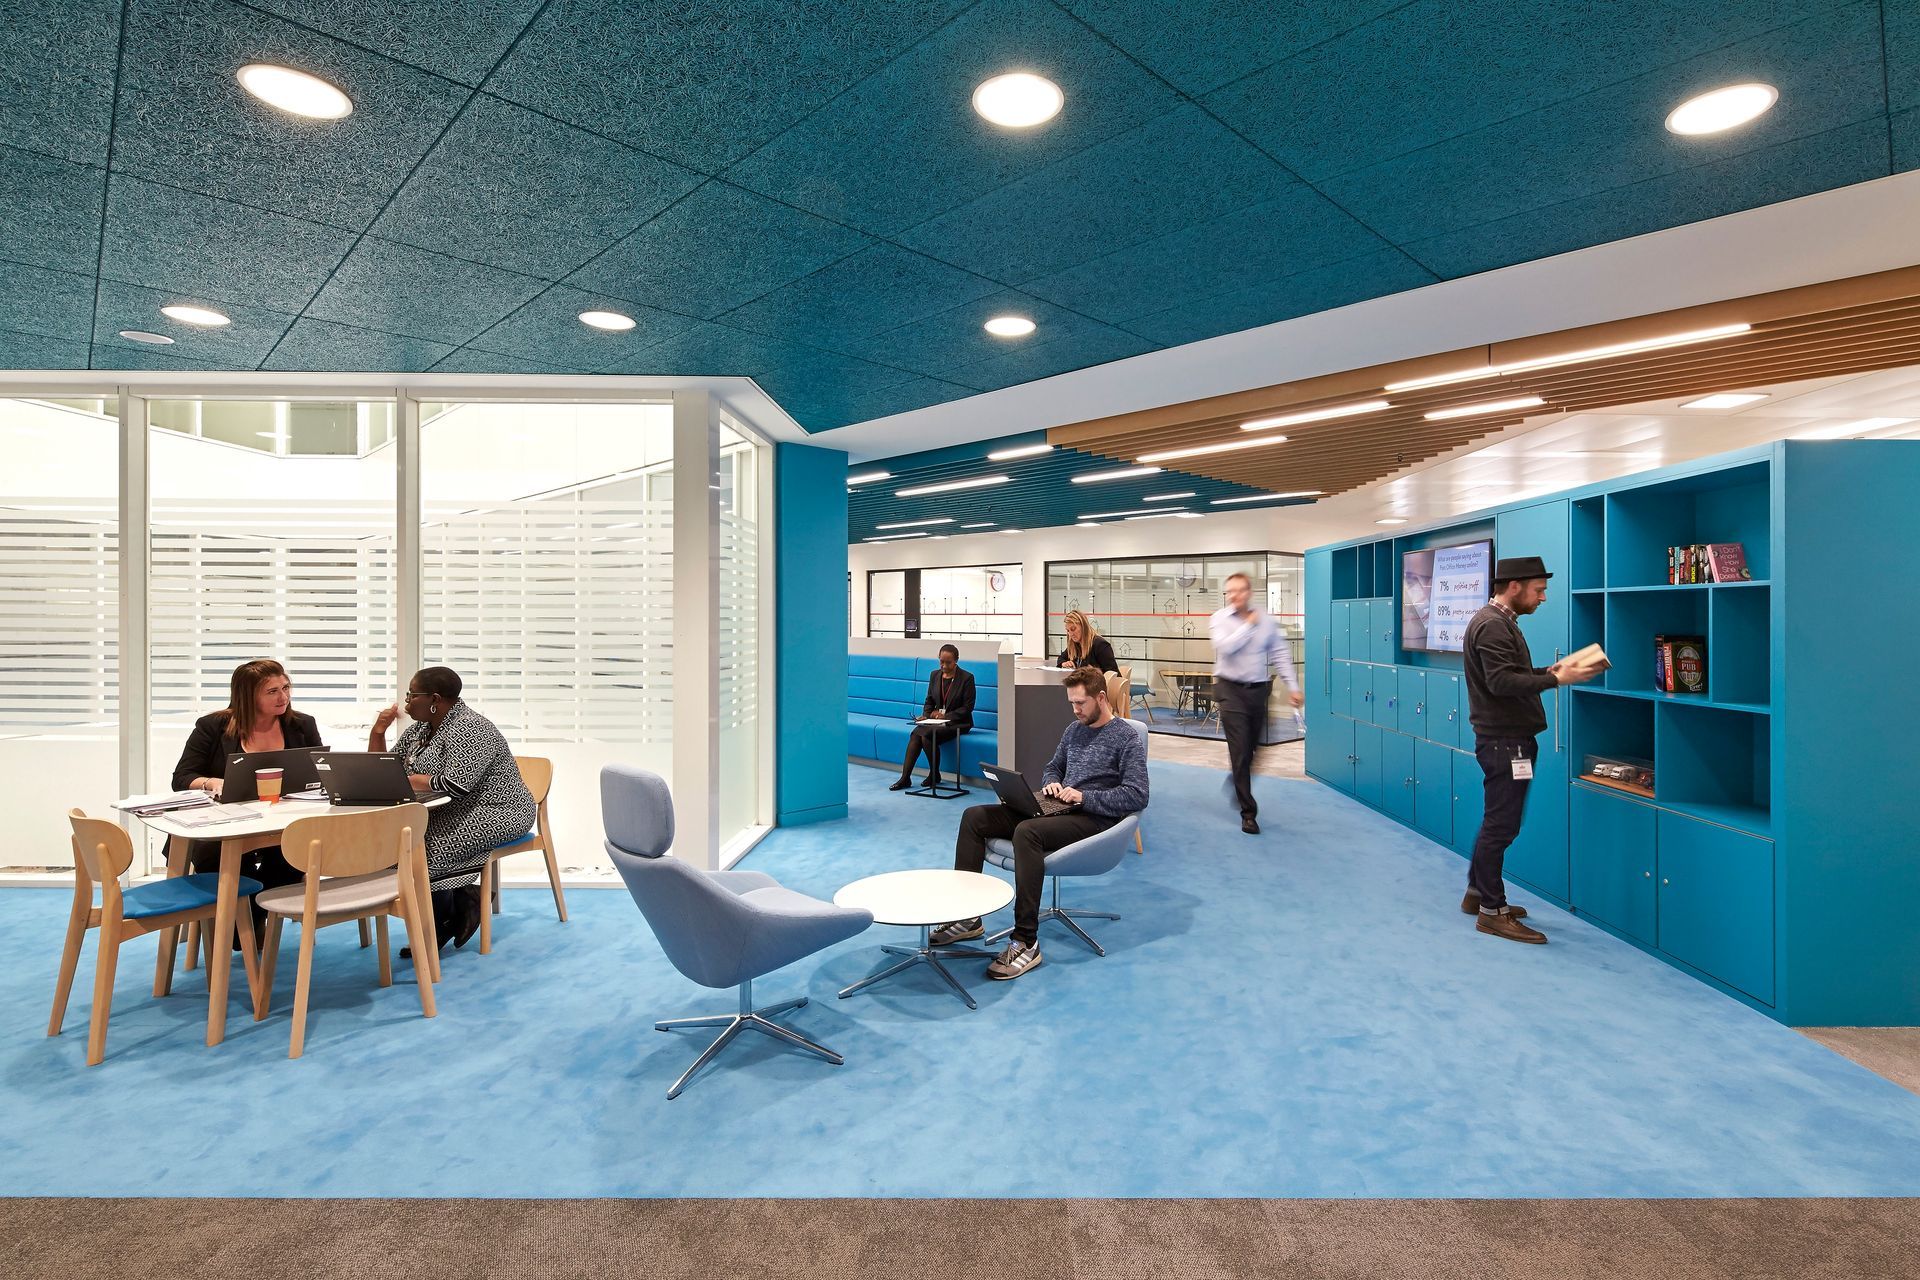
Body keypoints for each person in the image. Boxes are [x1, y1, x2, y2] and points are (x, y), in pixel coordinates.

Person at [934, 666, 1148, 981]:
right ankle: (968, 917)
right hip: (1059, 807)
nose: (1075, 710)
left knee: (1027, 833)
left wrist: (1084, 797)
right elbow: (1052, 767)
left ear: (1101, 698)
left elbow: (1137, 795)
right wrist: (1051, 784)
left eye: (1081, 703)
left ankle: (1025, 941)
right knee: (975, 817)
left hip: (1093, 818)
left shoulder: (1126, 738)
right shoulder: (1074, 729)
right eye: (1072, 703)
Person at [1461, 556, 1597, 943]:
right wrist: (1555, 681)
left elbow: (1511, 675)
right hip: (1505, 741)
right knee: (1502, 824)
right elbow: (1502, 683)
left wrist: (1553, 672)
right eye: (1539, 590)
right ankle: (1492, 911)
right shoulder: (1492, 626)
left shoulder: (1501, 621)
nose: (1543, 598)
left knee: (1500, 822)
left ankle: (1478, 893)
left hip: (1508, 738)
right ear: (1515, 585)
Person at [370, 666, 535, 951]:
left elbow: (457, 784)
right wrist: (378, 731)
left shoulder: (471, 727)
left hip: (500, 810)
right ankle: (461, 896)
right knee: (400, 842)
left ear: (435, 699)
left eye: (412, 695)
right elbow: (381, 771)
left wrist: (413, 780)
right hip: (451, 810)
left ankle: (444, 917)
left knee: (426, 848)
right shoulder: (420, 730)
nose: (406, 701)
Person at [170, 658, 324, 943]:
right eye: (273, 691)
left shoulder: (302, 725)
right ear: (248, 695)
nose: (284, 697)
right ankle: (241, 926)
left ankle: (247, 920)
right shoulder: (212, 727)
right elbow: (182, 777)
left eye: (286, 688)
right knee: (215, 857)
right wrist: (212, 782)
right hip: (224, 824)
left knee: (291, 855)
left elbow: (318, 772)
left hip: (282, 821)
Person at [1208, 573, 1302, 835]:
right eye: (1230, 592)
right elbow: (1225, 648)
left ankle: (1237, 779)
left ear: (1249, 592)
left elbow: (1280, 653)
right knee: (1239, 752)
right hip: (1229, 690)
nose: (1234, 595)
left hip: (1258, 691)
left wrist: (1293, 686)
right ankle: (1248, 814)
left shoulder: (1266, 620)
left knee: (1255, 750)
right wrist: (1248, 626)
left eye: (1239, 590)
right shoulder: (1219, 619)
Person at [891, 643, 975, 792]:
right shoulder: (935, 675)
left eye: (947, 662)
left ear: (956, 661)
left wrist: (945, 716)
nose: (943, 665)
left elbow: (967, 708)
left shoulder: (967, 678)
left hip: (958, 722)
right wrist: (927, 715)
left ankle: (934, 774)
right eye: (941, 661)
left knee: (927, 735)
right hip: (936, 722)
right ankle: (906, 777)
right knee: (916, 734)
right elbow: (929, 700)